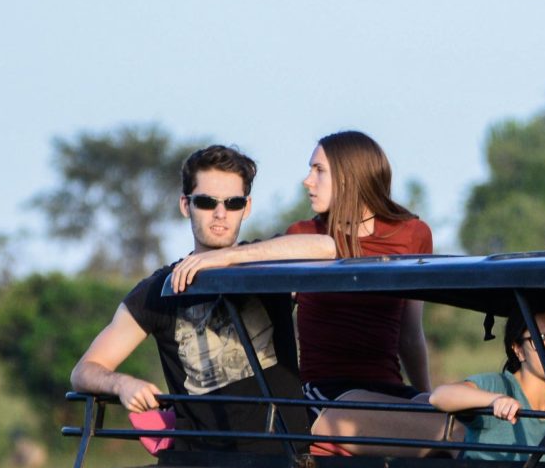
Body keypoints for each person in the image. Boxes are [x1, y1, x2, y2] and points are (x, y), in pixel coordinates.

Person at [68, 144, 320, 463]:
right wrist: (122, 384)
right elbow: (85, 370)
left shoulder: (267, 265)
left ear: (247, 207)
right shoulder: (160, 288)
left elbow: (328, 247)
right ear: (186, 205)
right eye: (206, 202)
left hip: (285, 461)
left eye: (233, 203)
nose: (220, 213)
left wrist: (231, 258)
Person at [173, 130, 435, 401]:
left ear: (349, 176)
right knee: (429, 426)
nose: (307, 181)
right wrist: (226, 256)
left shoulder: (413, 233)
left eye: (318, 170)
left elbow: (410, 334)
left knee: (449, 422)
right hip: (324, 393)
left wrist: (426, 397)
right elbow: (317, 248)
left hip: (388, 389)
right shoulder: (304, 232)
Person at [310, 308, 545, 461]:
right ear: (518, 350)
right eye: (541, 339)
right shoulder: (499, 385)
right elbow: (441, 396)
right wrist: (492, 401)